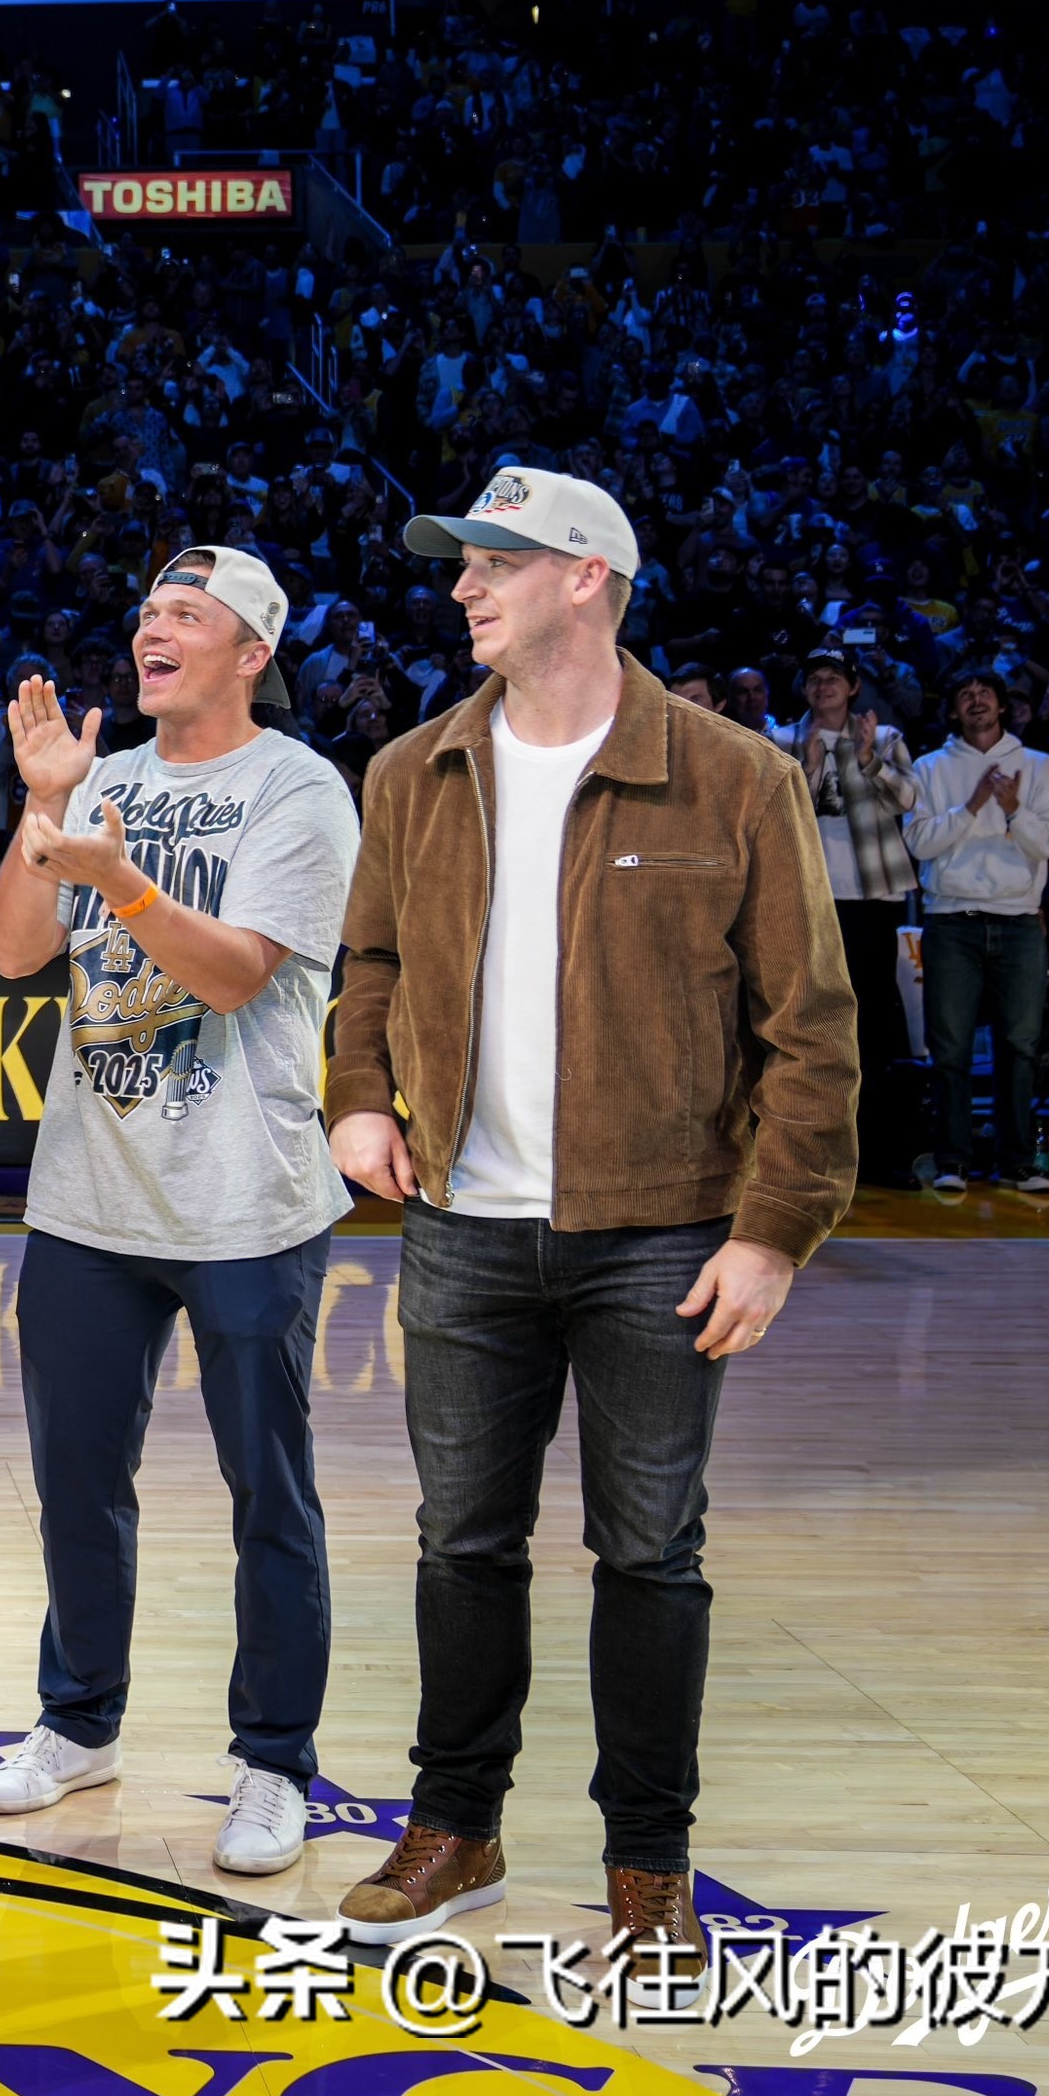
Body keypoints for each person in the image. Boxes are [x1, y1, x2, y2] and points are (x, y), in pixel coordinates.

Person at [323, 467, 858, 1957]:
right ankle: (456, 1822)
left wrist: (774, 1228)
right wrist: (356, 1095)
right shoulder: (412, 770)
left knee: (650, 1552)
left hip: (665, 1233)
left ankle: (647, 1856)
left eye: (494, 559)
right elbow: (365, 963)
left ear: (588, 578)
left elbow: (810, 1025)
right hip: (462, 1226)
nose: (462, 585)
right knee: (461, 1543)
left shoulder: (737, 777)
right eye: (459, 563)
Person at [0, 549, 362, 1881]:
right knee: (79, 1483)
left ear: (251, 651)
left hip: (247, 1204)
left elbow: (241, 973)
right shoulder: (102, 780)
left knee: (271, 1497)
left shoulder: (299, 790)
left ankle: (271, 1762)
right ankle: (78, 1720)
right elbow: (18, 948)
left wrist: (127, 881)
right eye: (146, 611)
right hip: (88, 1199)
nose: (154, 628)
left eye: (187, 614)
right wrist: (45, 811)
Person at [905, 669, 1049, 1192]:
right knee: (949, 1048)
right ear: (953, 709)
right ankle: (953, 1160)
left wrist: (1012, 808)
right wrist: (973, 805)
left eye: (985, 694)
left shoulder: (1039, 767)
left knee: (1019, 1045)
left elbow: (1045, 845)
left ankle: (1018, 1161)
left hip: (1019, 920)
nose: (976, 702)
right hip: (952, 918)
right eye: (965, 696)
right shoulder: (930, 767)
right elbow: (920, 843)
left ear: (1003, 706)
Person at [779, 649, 919, 1092]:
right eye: (815, 677)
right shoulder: (780, 738)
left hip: (874, 893)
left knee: (874, 1005)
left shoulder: (885, 736)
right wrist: (812, 765)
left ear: (853, 687)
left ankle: (876, 1114)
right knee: (816, 1005)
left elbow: (908, 801)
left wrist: (866, 757)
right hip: (810, 894)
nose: (824, 685)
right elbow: (776, 811)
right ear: (804, 688)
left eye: (834, 677)